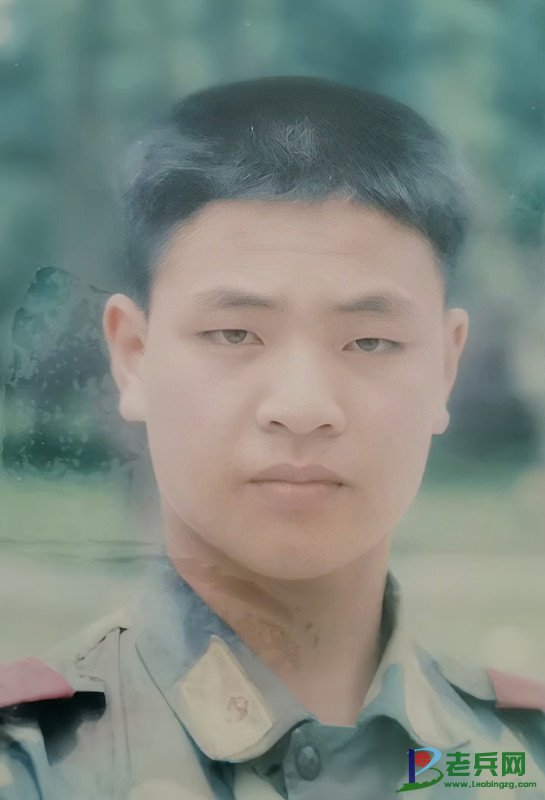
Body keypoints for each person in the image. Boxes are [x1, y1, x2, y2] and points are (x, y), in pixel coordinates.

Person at [1, 76, 544, 800]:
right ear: (133, 357)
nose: (303, 407)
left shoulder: (518, 760)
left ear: (444, 369)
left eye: (371, 341)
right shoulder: (31, 768)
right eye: (234, 333)